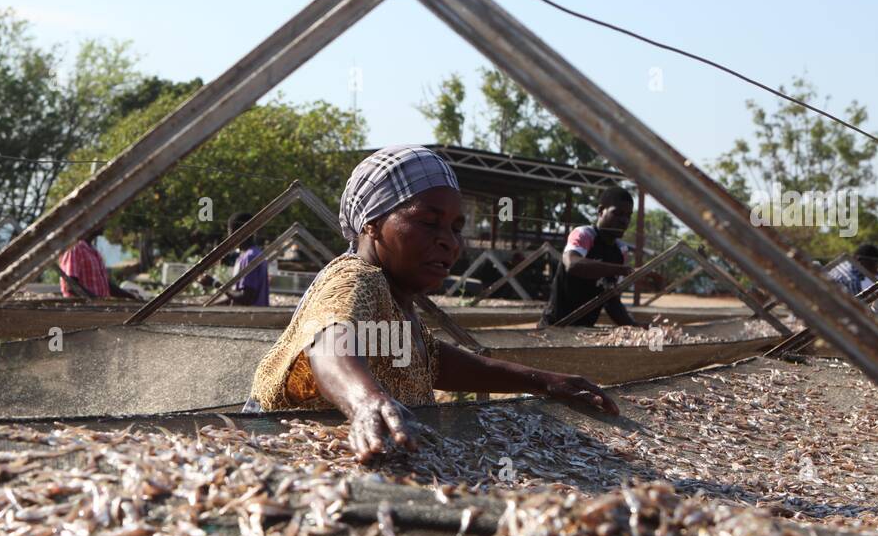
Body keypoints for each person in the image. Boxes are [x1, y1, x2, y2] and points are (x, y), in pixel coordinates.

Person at [247, 145, 619, 462]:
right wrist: (366, 401)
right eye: (429, 223)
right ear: (372, 223)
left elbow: (430, 360)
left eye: (456, 228)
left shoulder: (395, 298)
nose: (449, 242)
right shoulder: (355, 279)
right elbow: (329, 345)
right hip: (304, 465)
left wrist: (544, 382)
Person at [539, 186, 645, 329]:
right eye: (618, 214)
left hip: (584, 331)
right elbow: (573, 264)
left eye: (628, 215)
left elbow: (611, 301)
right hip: (554, 327)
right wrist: (624, 270)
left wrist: (634, 327)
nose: (624, 221)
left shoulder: (621, 251)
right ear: (601, 211)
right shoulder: (584, 234)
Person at [58, 226, 137, 299]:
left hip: (97, 309)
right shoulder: (75, 249)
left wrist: (129, 296)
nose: (103, 224)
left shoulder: (93, 251)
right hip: (83, 311)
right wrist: (95, 300)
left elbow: (106, 286)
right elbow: (70, 286)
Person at [828, 242, 878, 320]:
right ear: (859, 260)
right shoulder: (852, 279)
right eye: (872, 264)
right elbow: (857, 312)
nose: (875, 267)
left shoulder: (843, 267)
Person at [221, 212, 271, 306]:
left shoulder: (250, 257)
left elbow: (246, 298)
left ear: (237, 232)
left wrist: (215, 284)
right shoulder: (250, 254)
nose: (229, 237)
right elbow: (237, 296)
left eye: (230, 231)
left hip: (251, 318)